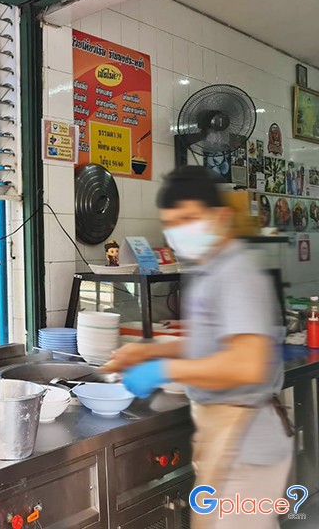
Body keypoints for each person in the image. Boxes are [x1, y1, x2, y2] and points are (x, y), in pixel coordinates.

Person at [104, 166, 293, 529]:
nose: (179, 231)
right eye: (171, 223)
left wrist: (164, 370)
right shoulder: (211, 269)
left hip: (246, 441)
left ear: (219, 216)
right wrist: (151, 351)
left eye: (189, 219)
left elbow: (247, 364)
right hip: (226, 434)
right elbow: (214, 343)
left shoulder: (238, 271)